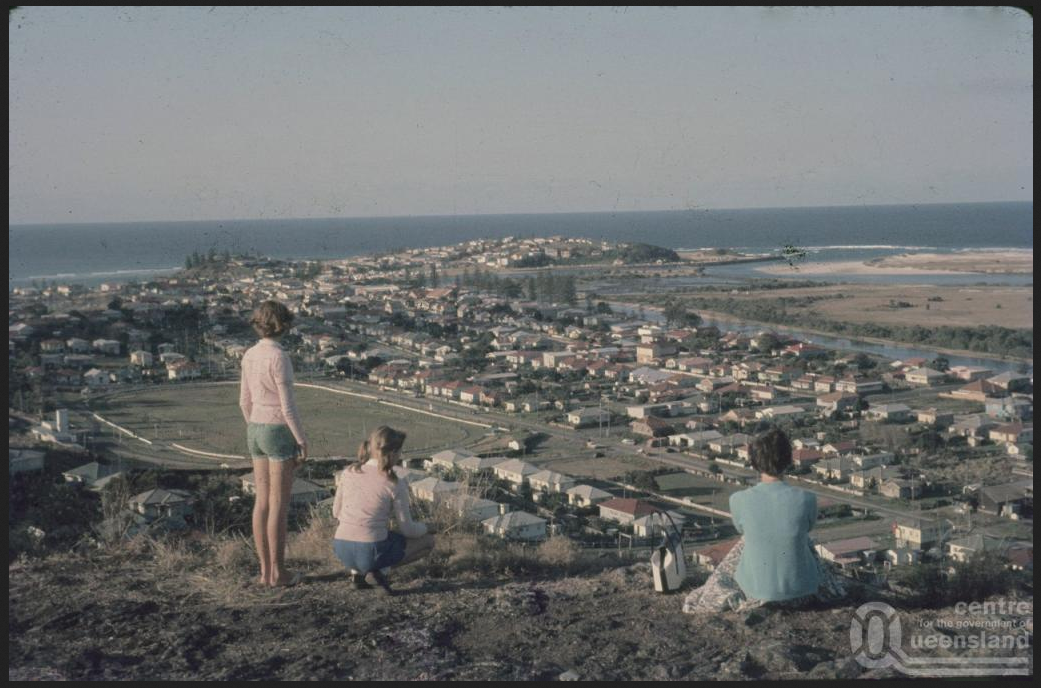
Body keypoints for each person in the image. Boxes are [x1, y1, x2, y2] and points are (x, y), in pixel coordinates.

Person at [683, 427, 845, 613]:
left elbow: (743, 531)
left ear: (753, 462)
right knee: (801, 539)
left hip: (756, 595)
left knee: (746, 541)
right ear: (789, 460)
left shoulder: (738, 500)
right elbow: (806, 529)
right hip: (803, 594)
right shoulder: (807, 499)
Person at [239, 300, 308, 588]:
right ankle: (279, 574)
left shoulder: (249, 355)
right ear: (284, 324)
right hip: (277, 429)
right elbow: (287, 407)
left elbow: (243, 401)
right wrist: (301, 440)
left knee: (262, 502)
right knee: (279, 505)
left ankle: (265, 572)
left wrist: (255, 424)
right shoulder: (279, 356)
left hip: (254, 428)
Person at [332, 426, 435, 596]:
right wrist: (427, 528)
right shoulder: (394, 482)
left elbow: (336, 513)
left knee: (383, 535)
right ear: (393, 453)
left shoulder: (348, 472)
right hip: (369, 552)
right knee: (427, 542)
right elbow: (408, 529)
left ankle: (357, 575)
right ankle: (379, 572)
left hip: (342, 549)